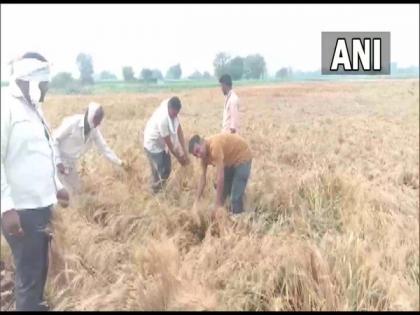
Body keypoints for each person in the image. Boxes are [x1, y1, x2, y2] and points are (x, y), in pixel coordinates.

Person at [1, 52, 69, 311]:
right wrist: (6, 208)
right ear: (27, 80)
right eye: (44, 85)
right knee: (30, 274)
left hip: (40, 206)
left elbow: (46, 151)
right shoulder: (5, 107)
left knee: (39, 269)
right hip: (20, 211)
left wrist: (57, 186)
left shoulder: (34, 110)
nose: (46, 90)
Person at [52, 102, 125, 195]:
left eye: (99, 120)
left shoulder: (94, 131)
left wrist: (120, 163)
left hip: (70, 164)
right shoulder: (73, 122)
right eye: (96, 119)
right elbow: (54, 139)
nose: (98, 123)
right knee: (67, 194)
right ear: (89, 115)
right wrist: (58, 162)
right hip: (56, 160)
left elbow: (105, 149)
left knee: (78, 191)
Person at [188, 133, 252, 215]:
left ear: (202, 142)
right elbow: (202, 179)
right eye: (195, 155)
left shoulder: (214, 147)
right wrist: (196, 201)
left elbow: (220, 176)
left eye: (198, 150)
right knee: (223, 194)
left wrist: (217, 205)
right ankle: (240, 206)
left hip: (243, 156)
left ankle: (240, 217)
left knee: (234, 199)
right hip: (229, 162)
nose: (198, 155)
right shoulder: (203, 157)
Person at [143, 96, 189, 193]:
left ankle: (161, 190)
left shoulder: (171, 105)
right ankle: (155, 193)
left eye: (177, 114)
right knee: (159, 171)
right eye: (173, 114)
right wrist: (180, 158)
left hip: (162, 143)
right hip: (153, 144)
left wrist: (185, 152)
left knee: (167, 169)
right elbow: (170, 145)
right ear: (169, 108)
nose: (175, 116)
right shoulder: (163, 120)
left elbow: (179, 130)